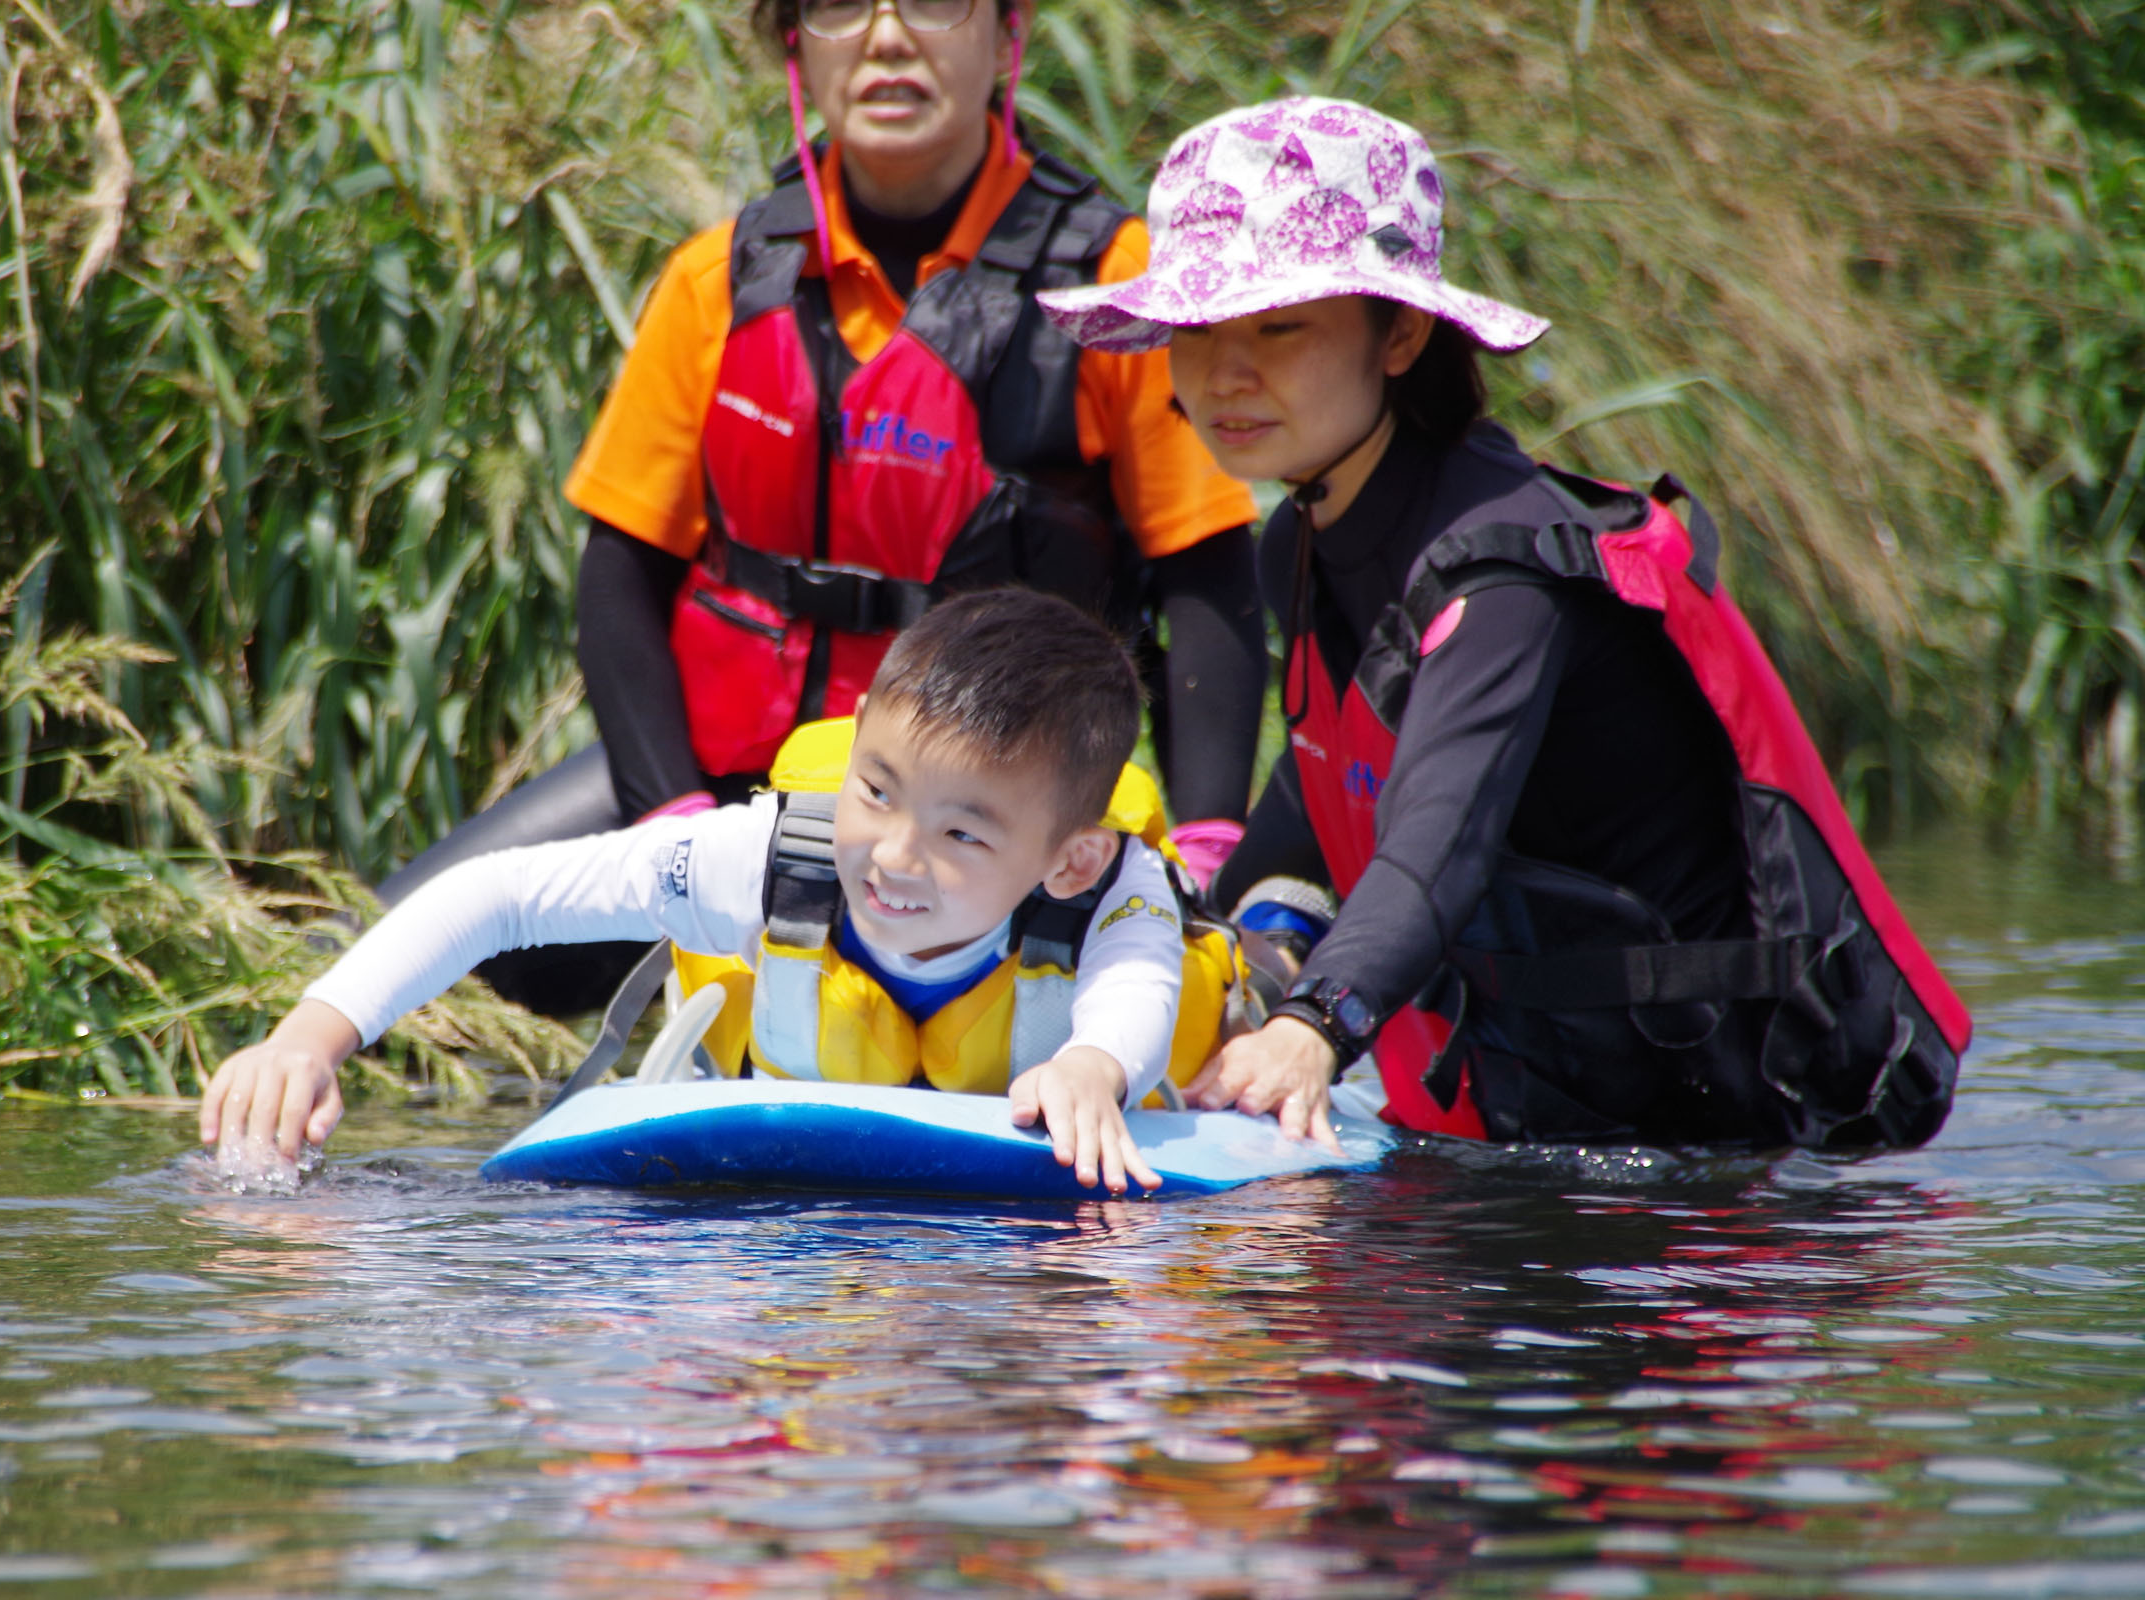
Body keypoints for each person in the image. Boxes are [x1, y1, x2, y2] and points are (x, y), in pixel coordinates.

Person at [1038, 97, 1971, 1152]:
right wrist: (1195, 948)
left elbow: (1439, 843)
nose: (1224, 372)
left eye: (1279, 324)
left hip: (1719, 1168)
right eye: (1197, 329)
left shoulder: (1504, 571)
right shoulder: (1298, 544)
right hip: (1538, 1118)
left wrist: (1311, 1028)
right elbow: (1312, 803)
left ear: (1401, 333)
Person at [381, 0, 1265, 1013]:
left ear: (1008, 36)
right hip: (730, 794)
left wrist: (1204, 850)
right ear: (796, 40)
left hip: (994, 814)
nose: (889, 37)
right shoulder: (715, 279)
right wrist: (671, 823)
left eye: (935, 3)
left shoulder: (1117, 286)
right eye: (842, 7)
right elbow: (619, 576)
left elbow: (1207, 579)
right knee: (397, 941)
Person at [202, 589, 1243, 1195]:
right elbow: (501, 897)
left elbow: (1140, 991)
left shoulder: (1109, 887)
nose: (889, 855)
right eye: (875, 791)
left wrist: (1093, 1068)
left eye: (961, 831)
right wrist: (310, 1035)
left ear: (1066, 859)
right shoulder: (775, 857)